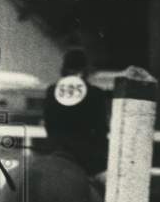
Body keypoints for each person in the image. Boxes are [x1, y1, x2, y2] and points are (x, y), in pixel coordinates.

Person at [42, 47, 110, 181]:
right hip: (86, 157)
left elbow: (48, 123)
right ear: (85, 69)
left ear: (64, 68)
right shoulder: (96, 93)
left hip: (56, 151)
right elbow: (101, 128)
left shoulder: (51, 91)